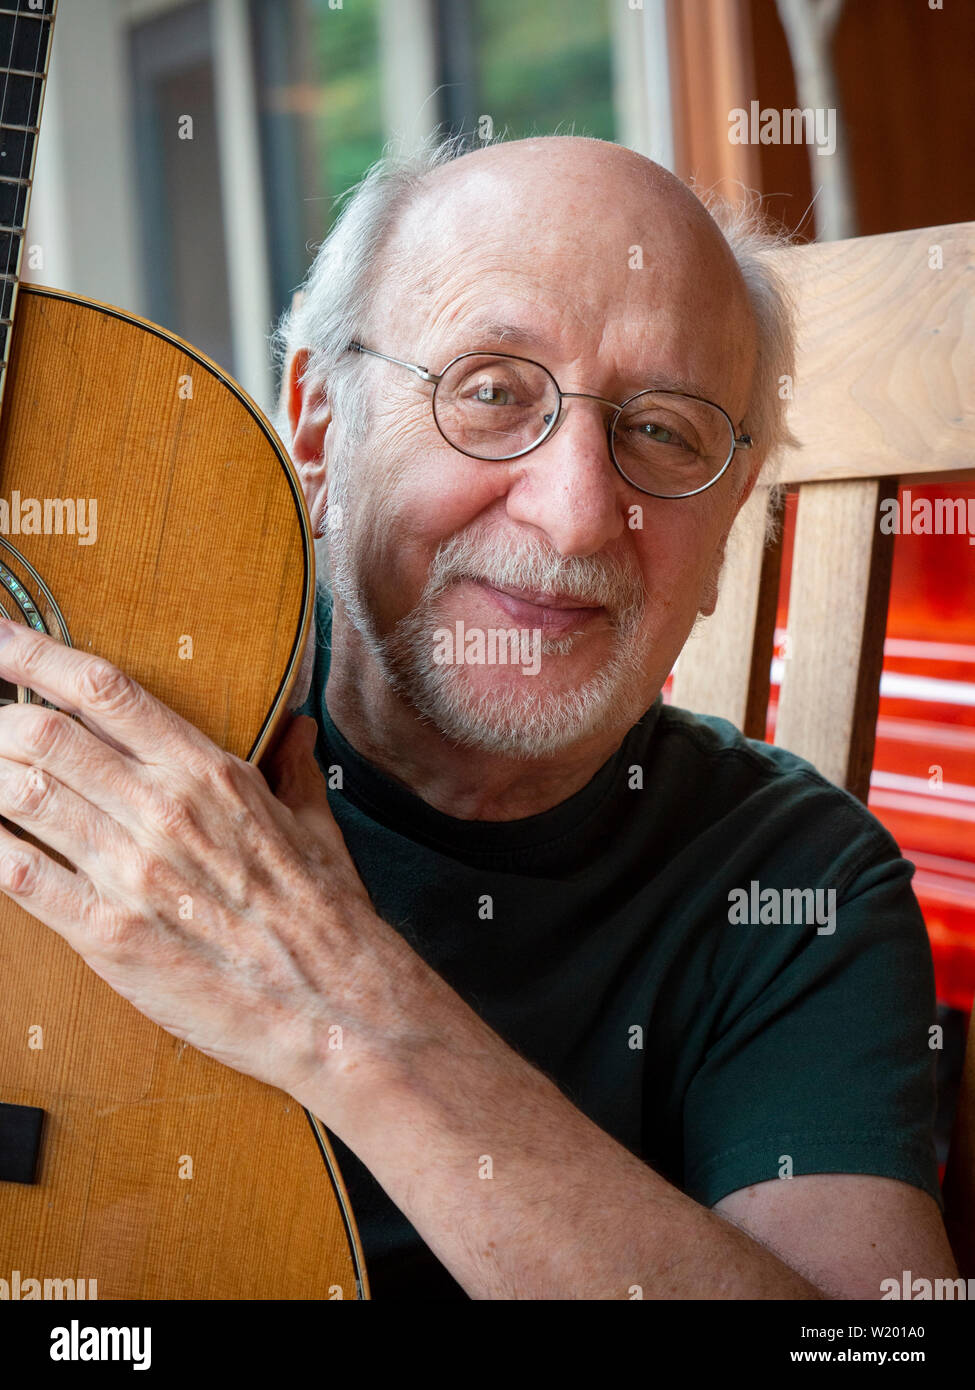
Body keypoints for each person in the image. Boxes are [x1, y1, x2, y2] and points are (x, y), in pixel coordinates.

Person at [0, 134, 958, 1300]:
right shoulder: (95, 725)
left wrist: (341, 1003)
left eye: (663, 432)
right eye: (493, 392)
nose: (575, 515)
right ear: (316, 431)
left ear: (728, 525)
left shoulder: (797, 884)